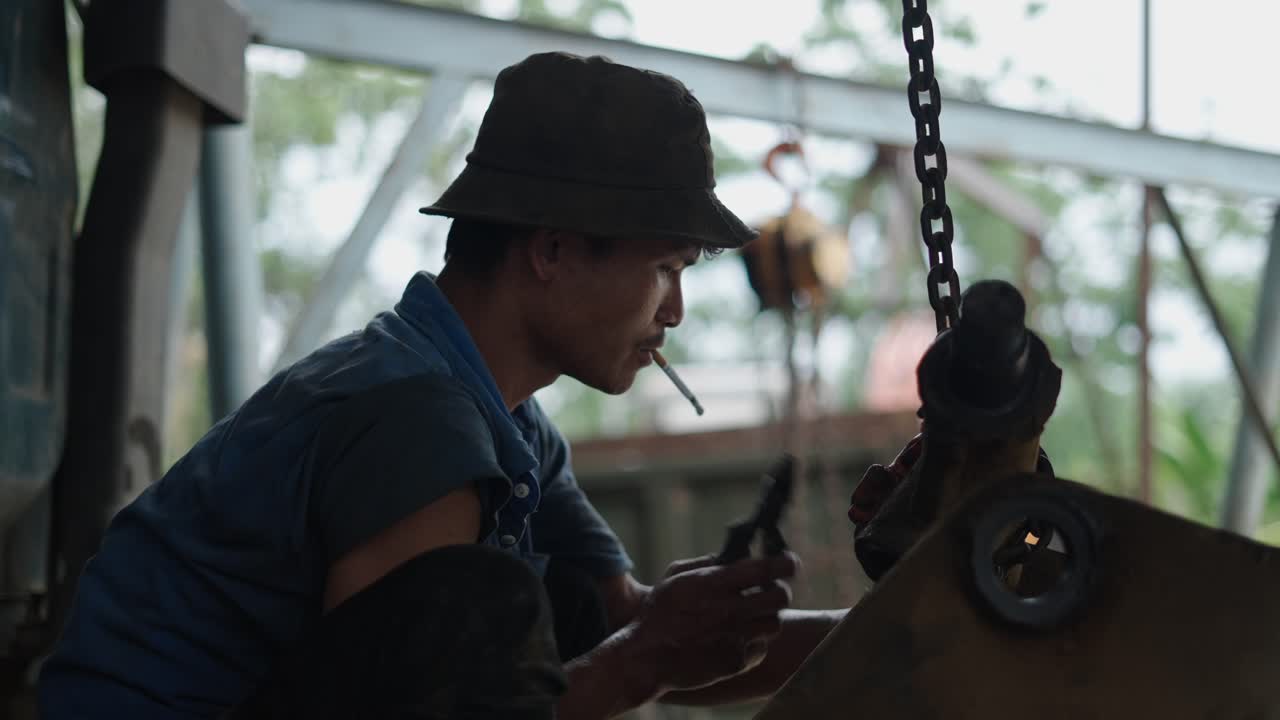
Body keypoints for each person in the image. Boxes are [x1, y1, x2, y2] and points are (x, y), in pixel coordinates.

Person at [38, 51, 848, 719]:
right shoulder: (412, 422)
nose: (674, 310)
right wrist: (647, 656)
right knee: (496, 604)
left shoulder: (511, 426)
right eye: (666, 268)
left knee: (545, 601)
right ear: (554, 251)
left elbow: (627, 623)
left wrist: (910, 618)